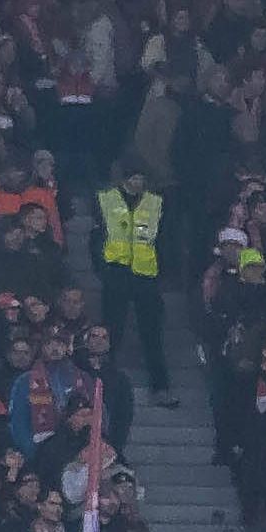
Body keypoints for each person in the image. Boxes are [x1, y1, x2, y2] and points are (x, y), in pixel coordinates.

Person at [94, 165, 167, 394]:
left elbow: (163, 239)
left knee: (152, 333)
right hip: (116, 271)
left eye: (141, 177)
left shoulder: (155, 202)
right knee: (112, 329)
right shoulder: (106, 199)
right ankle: (102, 382)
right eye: (134, 177)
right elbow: (97, 236)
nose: (138, 182)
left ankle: (160, 386)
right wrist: (103, 270)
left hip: (146, 274)